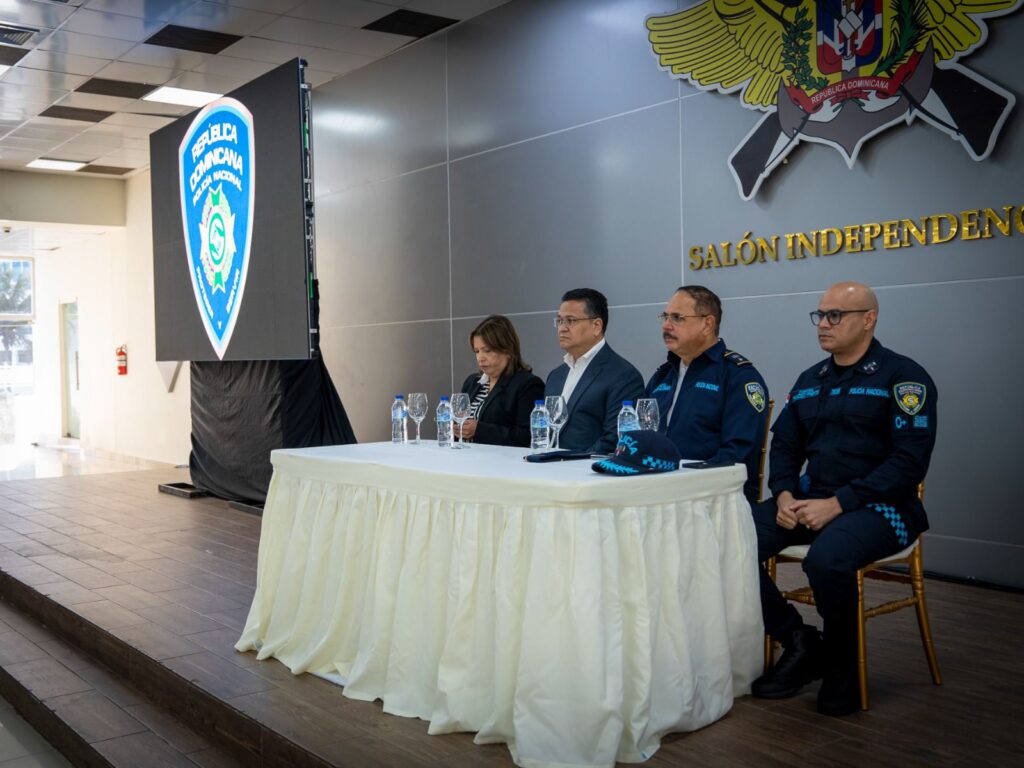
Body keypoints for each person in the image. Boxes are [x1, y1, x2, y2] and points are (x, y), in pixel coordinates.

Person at [751, 281, 937, 716]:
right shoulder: (809, 380)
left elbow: (909, 463)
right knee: (728, 539)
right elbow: (785, 447)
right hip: (809, 500)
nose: (824, 324)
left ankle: (843, 669)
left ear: (869, 319)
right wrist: (783, 493)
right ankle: (800, 641)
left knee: (827, 560)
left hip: (883, 507)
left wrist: (839, 503)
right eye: (820, 315)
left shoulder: (903, 378)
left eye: (835, 315)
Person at [644, 286, 768, 503]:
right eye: (665, 317)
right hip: (656, 488)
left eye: (677, 318)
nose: (666, 325)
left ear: (707, 324)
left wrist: (683, 479)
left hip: (711, 496)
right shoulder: (663, 376)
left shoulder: (738, 376)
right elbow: (639, 434)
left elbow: (738, 453)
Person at [544, 288, 644, 453]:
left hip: (587, 467)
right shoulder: (556, 376)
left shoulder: (624, 376)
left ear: (597, 326)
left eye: (571, 320)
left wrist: (568, 461)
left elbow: (615, 439)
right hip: (548, 465)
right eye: (560, 321)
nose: (562, 328)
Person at [458, 315, 545, 447]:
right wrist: (455, 428)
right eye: (477, 351)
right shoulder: (472, 382)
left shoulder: (528, 385)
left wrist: (480, 431)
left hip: (503, 459)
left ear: (508, 350)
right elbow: (459, 424)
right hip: (467, 456)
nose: (480, 358)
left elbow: (528, 436)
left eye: (487, 350)